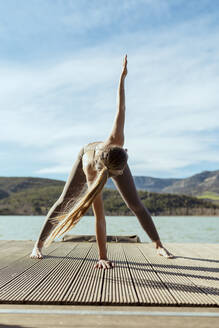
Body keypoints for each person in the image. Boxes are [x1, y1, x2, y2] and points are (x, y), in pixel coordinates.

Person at [30, 55, 173, 268]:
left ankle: (159, 245)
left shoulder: (117, 139)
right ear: (114, 171)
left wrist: (122, 78)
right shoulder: (92, 172)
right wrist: (102, 256)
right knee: (65, 199)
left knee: (135, 204)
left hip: (109, 158)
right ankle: (38, 245)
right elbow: (100, 218)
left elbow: (120, 108)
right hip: (87, 158)